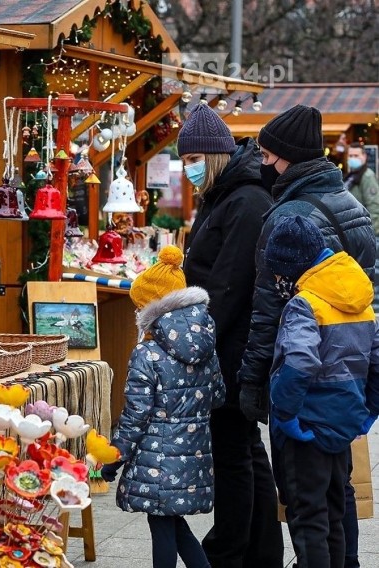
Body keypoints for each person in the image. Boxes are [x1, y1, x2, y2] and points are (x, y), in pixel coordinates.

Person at [237, 104, 376, 567]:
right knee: (339, 493)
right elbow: (367, 299)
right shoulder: (351, 204)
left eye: (266, 152)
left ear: (286, 157)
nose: (261, 161)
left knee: (306, 501)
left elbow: (268, 310)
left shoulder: (291, 217)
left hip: (304, 387)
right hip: (347, 382)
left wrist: (255, 385)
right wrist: (368, 396)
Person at [177, 103, 283, 567]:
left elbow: (229, 284)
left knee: (234, 456)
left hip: (233, 348)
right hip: (228, 343)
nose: (188, 169)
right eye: (183, 161)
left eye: (192, 159)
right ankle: (261, 552)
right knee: (246, 451)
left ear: (215, 156)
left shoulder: (244, 200)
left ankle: (228, 550)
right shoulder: (225, 195)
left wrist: (196, 341)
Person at [262, 216, 379, 567]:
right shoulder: (359, 298)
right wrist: (368, 411)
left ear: (292, 268)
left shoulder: (306, 303)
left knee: (308, 515)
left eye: (280, 273)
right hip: (344, 423)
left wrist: (285, 415)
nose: (279, 281)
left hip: (307, 426)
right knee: (335, 507)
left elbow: (299, 361)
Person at [101, 246, 225, 568]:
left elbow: (135, 417)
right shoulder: (206, 345)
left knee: (162, 527)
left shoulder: (148, 354)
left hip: (156, 458)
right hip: (194, 451)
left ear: (151, 309)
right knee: (172, 524)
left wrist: (114, 459)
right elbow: (218, 396)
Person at [344, 142, 379, 311]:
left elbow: (374, 208)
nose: (353, 159)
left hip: (366, 237)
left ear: (364, 157)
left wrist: (370, 236)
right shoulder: (351, 176)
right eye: (350, 156)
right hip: (357, 237)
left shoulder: (367, 176)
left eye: (356, 156)